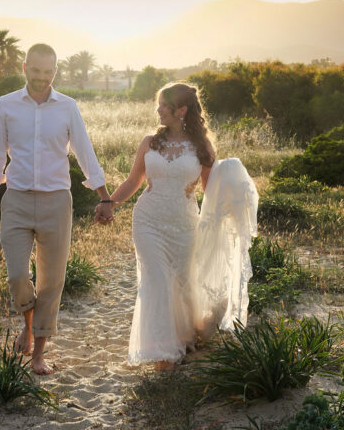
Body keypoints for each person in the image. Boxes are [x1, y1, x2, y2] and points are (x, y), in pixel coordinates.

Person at [102, 82, 258, 370]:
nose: (158, 110)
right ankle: (163, 353)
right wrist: (109, 203)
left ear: (181, 110)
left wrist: (231, 198)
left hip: (184, 223)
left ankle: (185, 336)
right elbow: (133, 181)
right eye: (159, 104)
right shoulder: (150, 141)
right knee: (158, 282)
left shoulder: (201, 147)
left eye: (164, 105)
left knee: (184, 284)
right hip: (147, 219)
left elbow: (211, 192)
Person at [0, 43, 114, 375]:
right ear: (25, 68)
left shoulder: (67, 107)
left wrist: (105, 197)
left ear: (55, 72)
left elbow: (85, 153)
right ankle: (28, 325)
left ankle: (38, 352)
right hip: (17, 199)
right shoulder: (6, 105)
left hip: (57, 201)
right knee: (17, 276)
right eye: (36, 70)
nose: (41, 78)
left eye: (48, 72)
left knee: (51, 282)